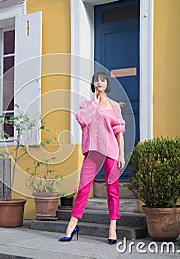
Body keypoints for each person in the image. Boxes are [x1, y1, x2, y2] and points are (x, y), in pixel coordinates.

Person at [59, 72, 125, 245]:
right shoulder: (86, 105)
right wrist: (94, 104)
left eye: (102, 80)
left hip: (111, 150)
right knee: (83, 188)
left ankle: (112, 227)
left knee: (112, 189)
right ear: (93, 84)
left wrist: (121, 155)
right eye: (96, 80)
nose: (99, 82)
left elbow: (119, 134)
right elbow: (82, 121)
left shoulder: (115, 106)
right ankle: (72, 226)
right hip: (93, 151)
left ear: (107, 84)